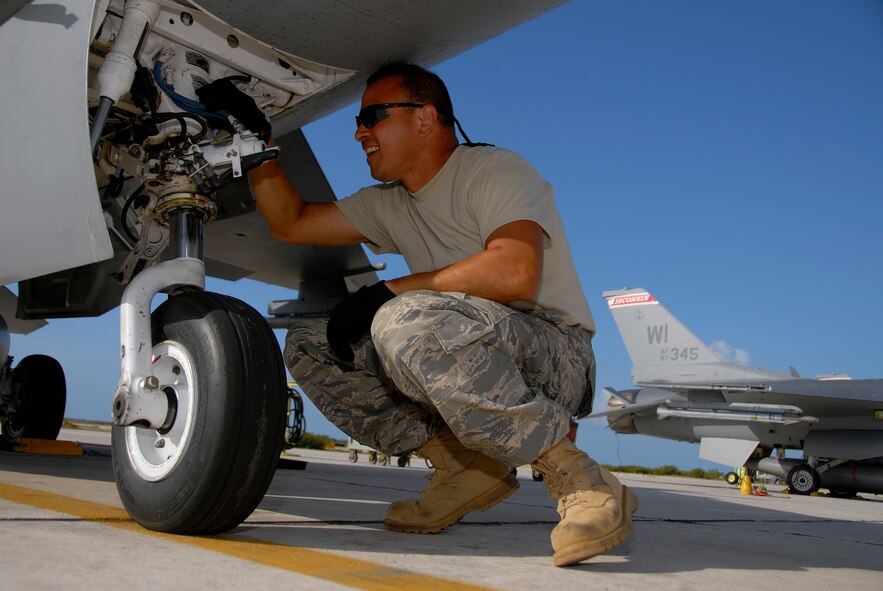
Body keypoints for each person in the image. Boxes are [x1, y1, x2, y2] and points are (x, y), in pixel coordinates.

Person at [245, 62, 636, 566]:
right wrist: (257, 149)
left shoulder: (492, 170)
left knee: (401, 321)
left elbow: (516, 271)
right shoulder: (389, 203)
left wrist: (387, 291)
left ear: (425, 118)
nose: (359, 131)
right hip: (456, 341)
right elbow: (291, 222)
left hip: (553, 355)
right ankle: (460, 468)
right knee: (309, 345)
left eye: (373, 116)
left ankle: (581, 478)